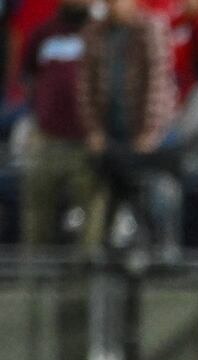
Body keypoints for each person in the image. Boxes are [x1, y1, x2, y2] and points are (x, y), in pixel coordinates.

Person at [78, 0, 177, 249]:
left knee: (157, 191)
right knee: (100, 190)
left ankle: (163, 249)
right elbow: (85, 87)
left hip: (145, 134)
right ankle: (97, 253)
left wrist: (149, 133)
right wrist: (94, 131)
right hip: (109, 133)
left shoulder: (151, 29)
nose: (114, 5)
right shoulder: (94, 32)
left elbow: (158, 83)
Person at [19, 0, 95, 248]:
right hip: (48, 138)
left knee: (91, 222)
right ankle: (33, 281)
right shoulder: (43, 33)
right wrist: (38, 114)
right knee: (37, 217)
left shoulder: (100, 33)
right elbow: (28, 76)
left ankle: (83, 283)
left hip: (89, 141)